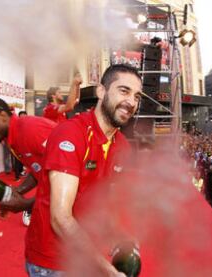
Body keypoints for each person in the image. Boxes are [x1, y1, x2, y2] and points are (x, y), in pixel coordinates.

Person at [25, 64, 142, 276]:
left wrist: (122, 236)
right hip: (53, 263)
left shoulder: (122, 145)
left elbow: (107, 204)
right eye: (124, 91)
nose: (131, 102)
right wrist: (104, 268)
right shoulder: (70, 135)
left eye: (137, 96)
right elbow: (60, 218)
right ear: (101, 91)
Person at [0, 98, 57, 217]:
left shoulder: (30, 129)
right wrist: (17, 191)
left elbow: (66, 177)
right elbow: (37, 170)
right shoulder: (12, 137)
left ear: (3, 116)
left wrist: (26, 204)